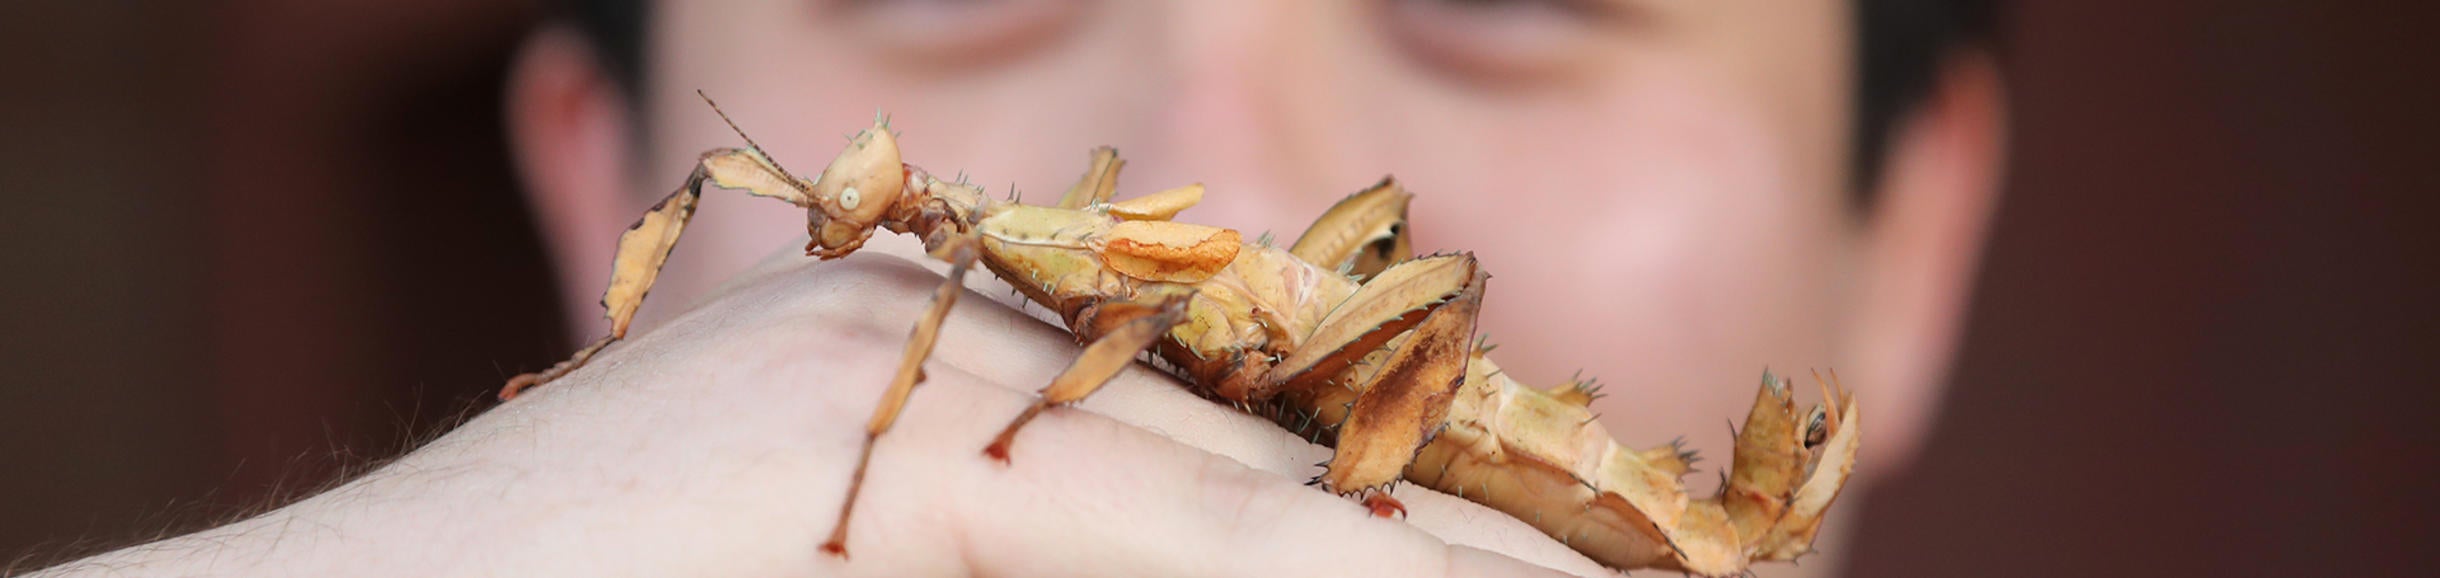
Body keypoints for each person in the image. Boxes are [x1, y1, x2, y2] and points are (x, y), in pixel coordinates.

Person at [33, 0, 2000, 575]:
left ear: (1906, 247)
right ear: (580, 183)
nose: (1224, 124)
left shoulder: (1114, 265)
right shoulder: (970, 259)